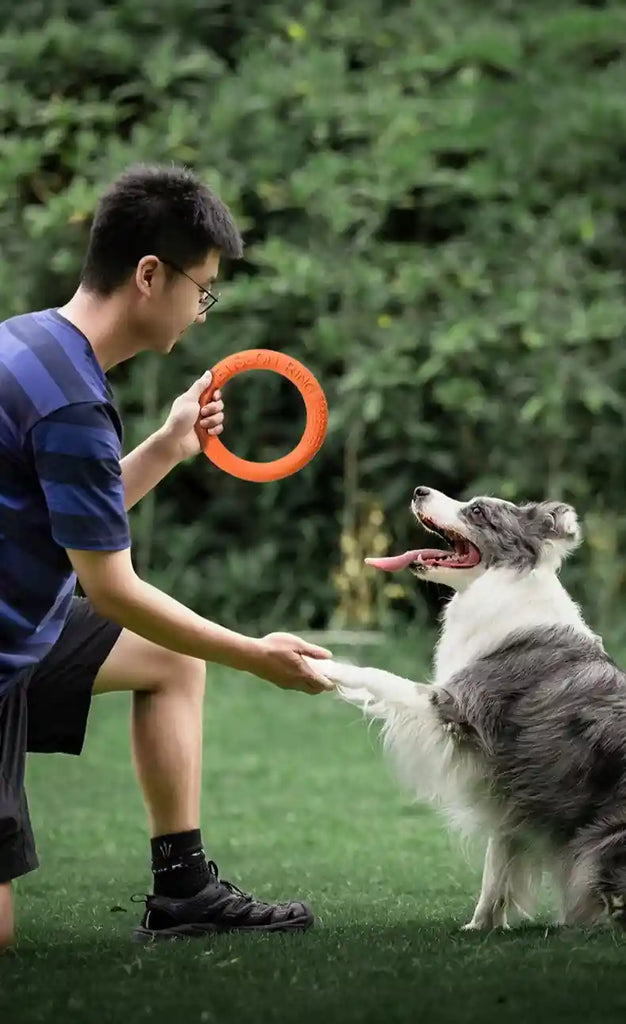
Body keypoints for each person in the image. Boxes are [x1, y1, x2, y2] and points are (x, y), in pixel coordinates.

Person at [0, 163, 333, 950]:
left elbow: (71, 514)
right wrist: (255, 655)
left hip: (23, 634)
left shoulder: (29, 341)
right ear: (150, 275)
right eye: (203, 288)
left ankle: (183, 892)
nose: (203, 310)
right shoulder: (74, 402)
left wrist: (167, 446)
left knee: (169, 661)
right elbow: (111, 589)